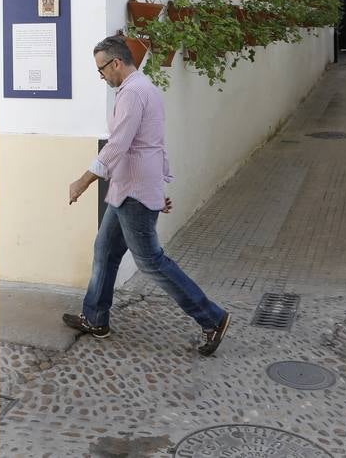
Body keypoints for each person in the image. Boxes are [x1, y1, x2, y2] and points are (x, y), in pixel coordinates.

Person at [62, 34, 231, 356]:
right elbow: (148, 143)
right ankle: (95, 317)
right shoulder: (142, 88)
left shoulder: (133, 93)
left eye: (101, 69)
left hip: (134, 190)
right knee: (105, 250)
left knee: (151, 262)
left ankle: (212, 317)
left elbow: (119, 145)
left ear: (116, 63)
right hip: (129, 187)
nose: (100, 76)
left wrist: (83, 181)